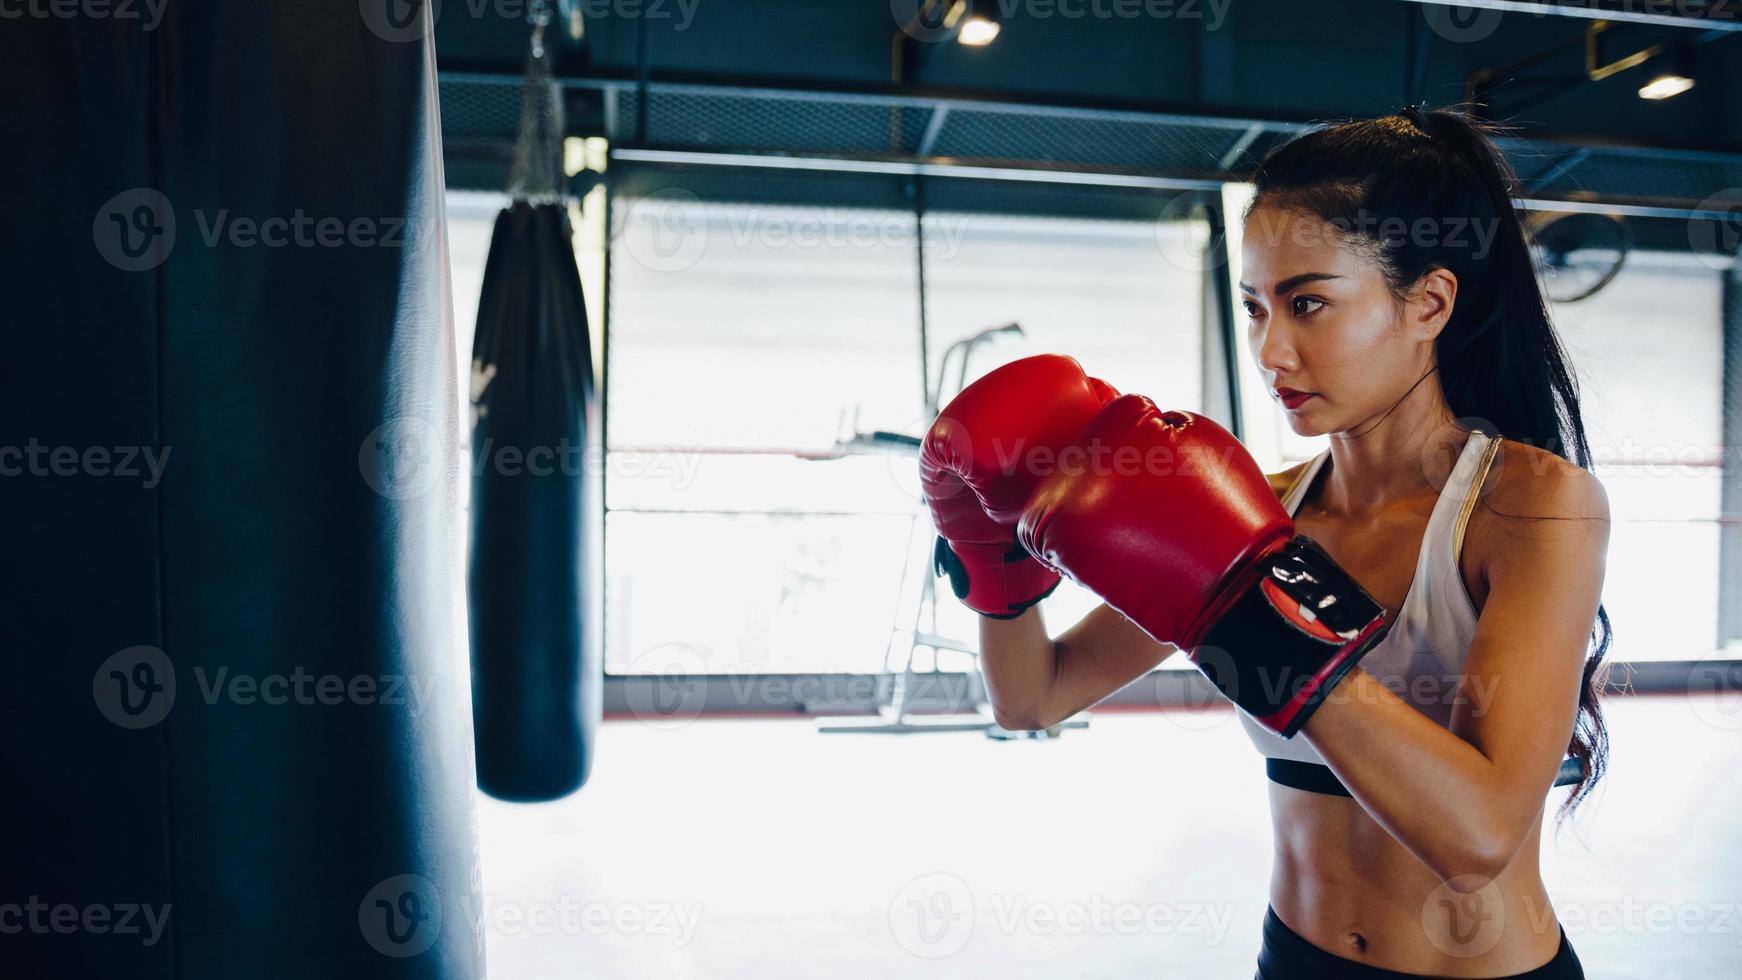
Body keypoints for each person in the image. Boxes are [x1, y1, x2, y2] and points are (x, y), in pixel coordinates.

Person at [920, 106, 1610, 979]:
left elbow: (1476, 837)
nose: (1271, 349)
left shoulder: (1534, 507)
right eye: (1253, 308)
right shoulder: (1258, 508)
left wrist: (1250, 610)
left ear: (1429, 302)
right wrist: (998, 563)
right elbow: (1034, 698)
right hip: (1292, 958)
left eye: (1309, 302)